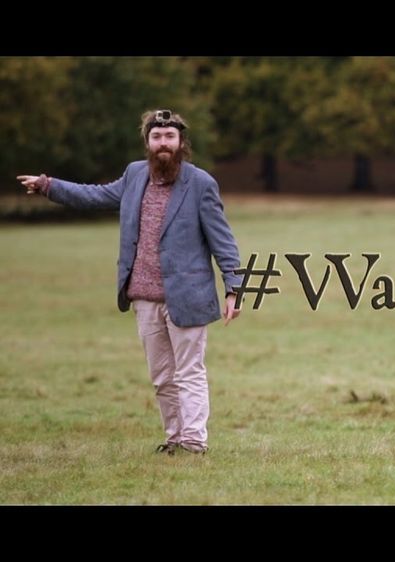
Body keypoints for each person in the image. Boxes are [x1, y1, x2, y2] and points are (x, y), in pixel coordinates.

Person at [17, 109, 243, 456]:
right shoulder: (134, 176)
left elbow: (222, 239)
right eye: (157, 137)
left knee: (189, 373)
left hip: (189, 296)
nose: (163, 143)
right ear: (147, 142)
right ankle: (175, 439)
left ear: (182, 142)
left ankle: (194, 442)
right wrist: (50, 186)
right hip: (144, 297)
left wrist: (233, 287)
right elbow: (94, 196)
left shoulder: (200, 184)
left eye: (170, 137)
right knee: (162, 378)